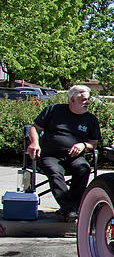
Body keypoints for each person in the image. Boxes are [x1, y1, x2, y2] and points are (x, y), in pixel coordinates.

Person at [25, 85, 101, 221]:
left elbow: (93, 143)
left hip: (74, 158)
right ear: (71, 100)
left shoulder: (91, 119)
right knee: (55, 172)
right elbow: (34, 128)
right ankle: (70, 210)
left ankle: (71, 207)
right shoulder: (54, 110)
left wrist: (83, 145)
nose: (87, 102)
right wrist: (34, 143)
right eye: (83, 100)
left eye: (88, 99)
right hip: (50, 156)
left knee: (83, 169)